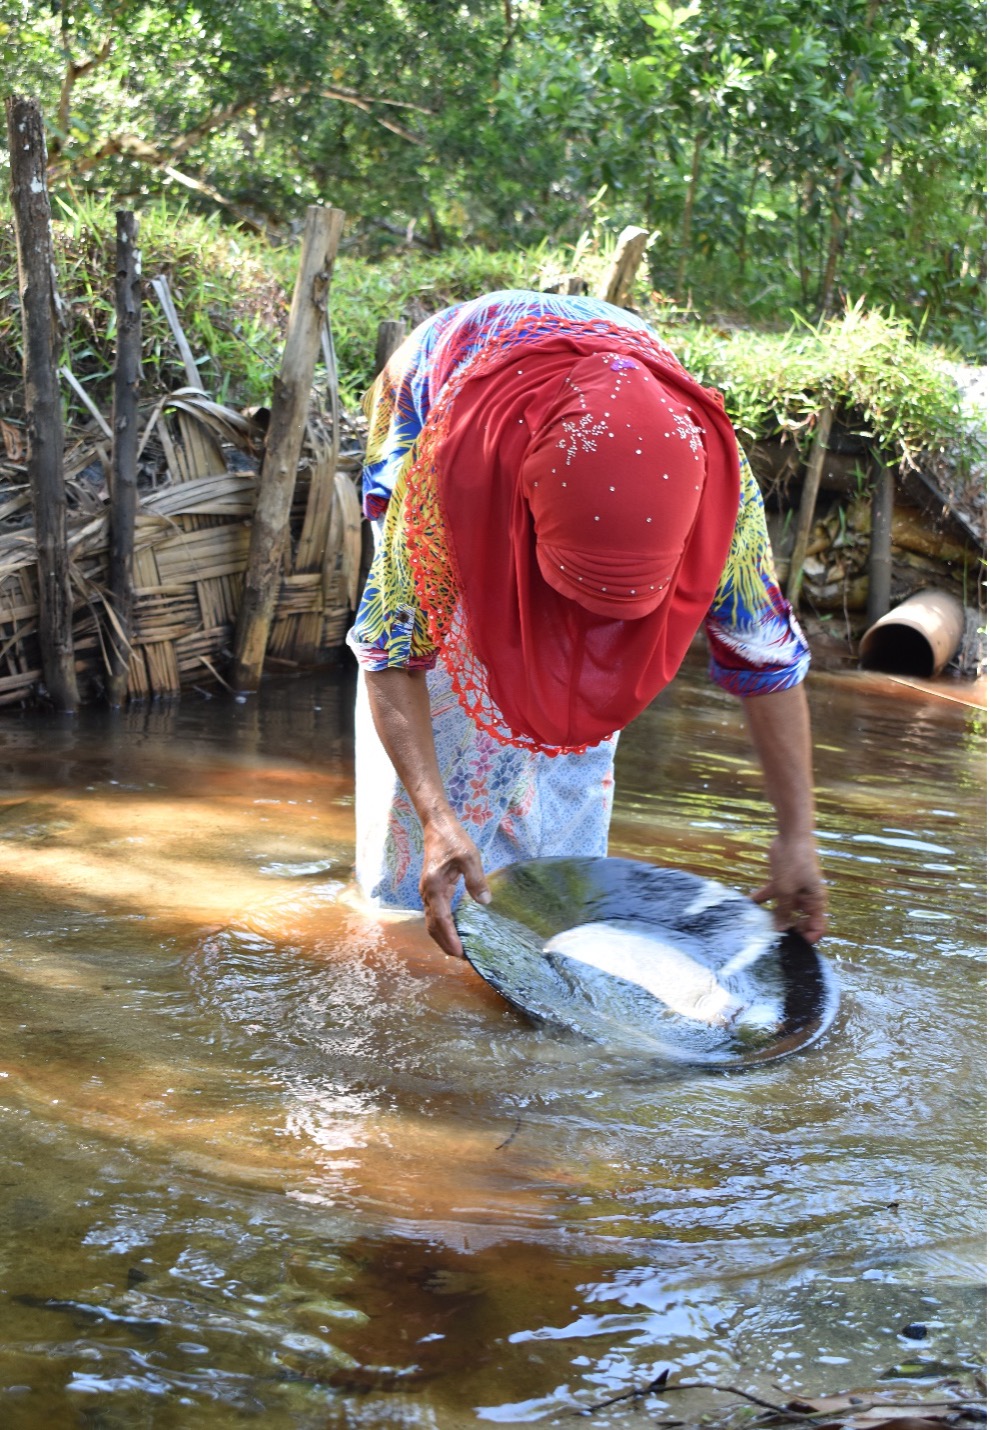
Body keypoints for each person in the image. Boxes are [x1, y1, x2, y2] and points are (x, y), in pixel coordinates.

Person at [346, 290, 827, 958]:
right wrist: (435, 815)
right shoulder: (451, 462)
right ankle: (405, 920)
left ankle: (548, 924)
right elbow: (391, 647)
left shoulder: (721, 492)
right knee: (452, 723)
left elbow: (766, 656)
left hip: (617, 404)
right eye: (576, 596)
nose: (582, 630)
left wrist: (798, 835)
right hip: (435, 380)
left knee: (581, 728)